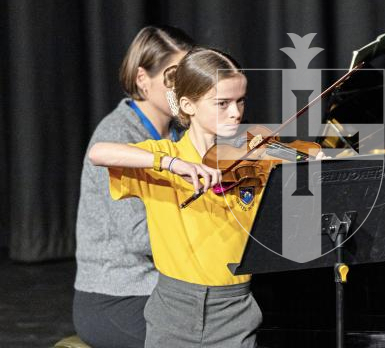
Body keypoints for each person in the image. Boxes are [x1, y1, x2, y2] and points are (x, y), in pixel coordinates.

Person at [88, 48, 271, 348]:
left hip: (235, 310)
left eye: (240, 101)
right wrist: (173, 165)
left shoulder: (251, 157)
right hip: (173, 311)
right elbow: (99, 153)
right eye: (222, 103)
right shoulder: (164, 157)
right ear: (188, 105)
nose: (236, 113)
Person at [73, 25, 195, 348]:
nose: (183, 87)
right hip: (115, 296)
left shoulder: (180, 134)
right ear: (143, 79)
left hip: (165, 288)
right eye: (173, 77)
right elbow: (140, 236)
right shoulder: (115, 136)